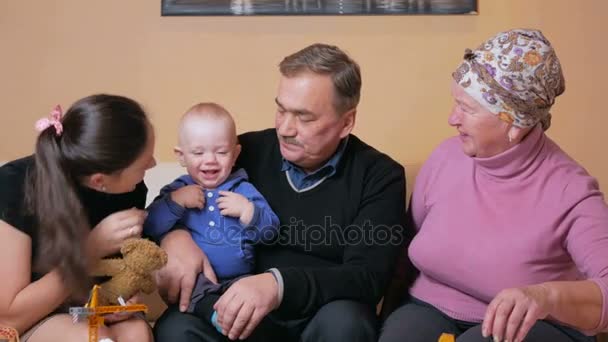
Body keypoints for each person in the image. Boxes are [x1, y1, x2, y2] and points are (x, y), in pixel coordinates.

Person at [152, 43, 408, 342]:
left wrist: (278, 284)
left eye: (304, 117)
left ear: (346, 122)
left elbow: (367, 277)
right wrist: (174, 239)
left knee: (347, 323)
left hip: (323, 313)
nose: (285, 128)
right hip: (241, 312)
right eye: (281, 109)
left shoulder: (380, 175)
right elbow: (177, 201)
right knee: (176, 327)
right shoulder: (242, 152)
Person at [380, 29, 608, 342]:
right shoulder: (446, 157)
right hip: (429, 308)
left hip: (534, 326)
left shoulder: (572, 192)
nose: (452, 118)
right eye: (455, 103)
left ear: (514, 124)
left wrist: (545, 297)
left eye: (467, 109)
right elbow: (406, 246)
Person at [0, 94, 157, 342]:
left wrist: (119, 298)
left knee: (135, 332)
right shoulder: (14, 186)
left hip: (78, 307)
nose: (153, 163)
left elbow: (118, 273)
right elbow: (9, 317)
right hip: (22, 318)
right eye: (143, 163)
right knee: (90, 338)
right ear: (100, 181)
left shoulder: (128, 189)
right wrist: (90, 249)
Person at [144, 103, 279, 326]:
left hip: (240, 280)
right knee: (193, 290)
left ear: (235, 154)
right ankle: (214, 315)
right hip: (196, 281)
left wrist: (248, 211)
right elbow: (150, 226)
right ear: (182, 156)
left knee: (250, 302)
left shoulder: (243, 190)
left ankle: (234, 319)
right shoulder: (176, 191)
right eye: (198, 152)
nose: (210, 160)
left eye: (221, 152)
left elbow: (270, 232)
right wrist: (176, 202)